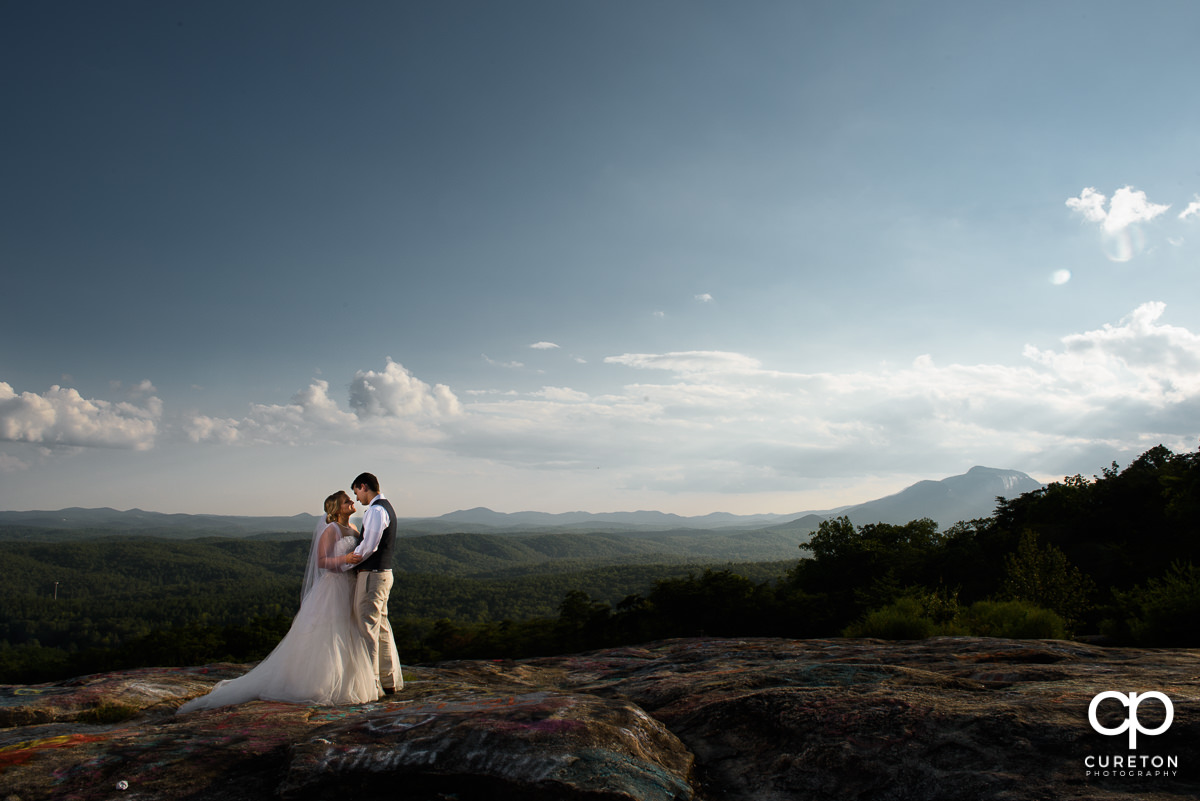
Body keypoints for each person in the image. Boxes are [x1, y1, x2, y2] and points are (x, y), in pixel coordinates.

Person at [178, 491, 380, 712]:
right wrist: (345, 559)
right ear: (336, 509)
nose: (352, 503)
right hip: (333, 588)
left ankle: (348, 681)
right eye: (346, 502)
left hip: (350, 586)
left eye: (351, 500)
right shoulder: (331, 530)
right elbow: (321, 561)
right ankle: (322, 684)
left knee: (349, 632)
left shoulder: (353, 529)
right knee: (329, 635)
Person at [347, 471, 403, 695]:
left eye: (357, 492)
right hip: (383, 573)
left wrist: (347, 564)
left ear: (364, 486)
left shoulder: (376, 510)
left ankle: (371, 685)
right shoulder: (386, 507)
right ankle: (388, 681)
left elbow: (369, 545)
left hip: (372, 575)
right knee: (380, 627)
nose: (358, 498)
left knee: (367, 629)